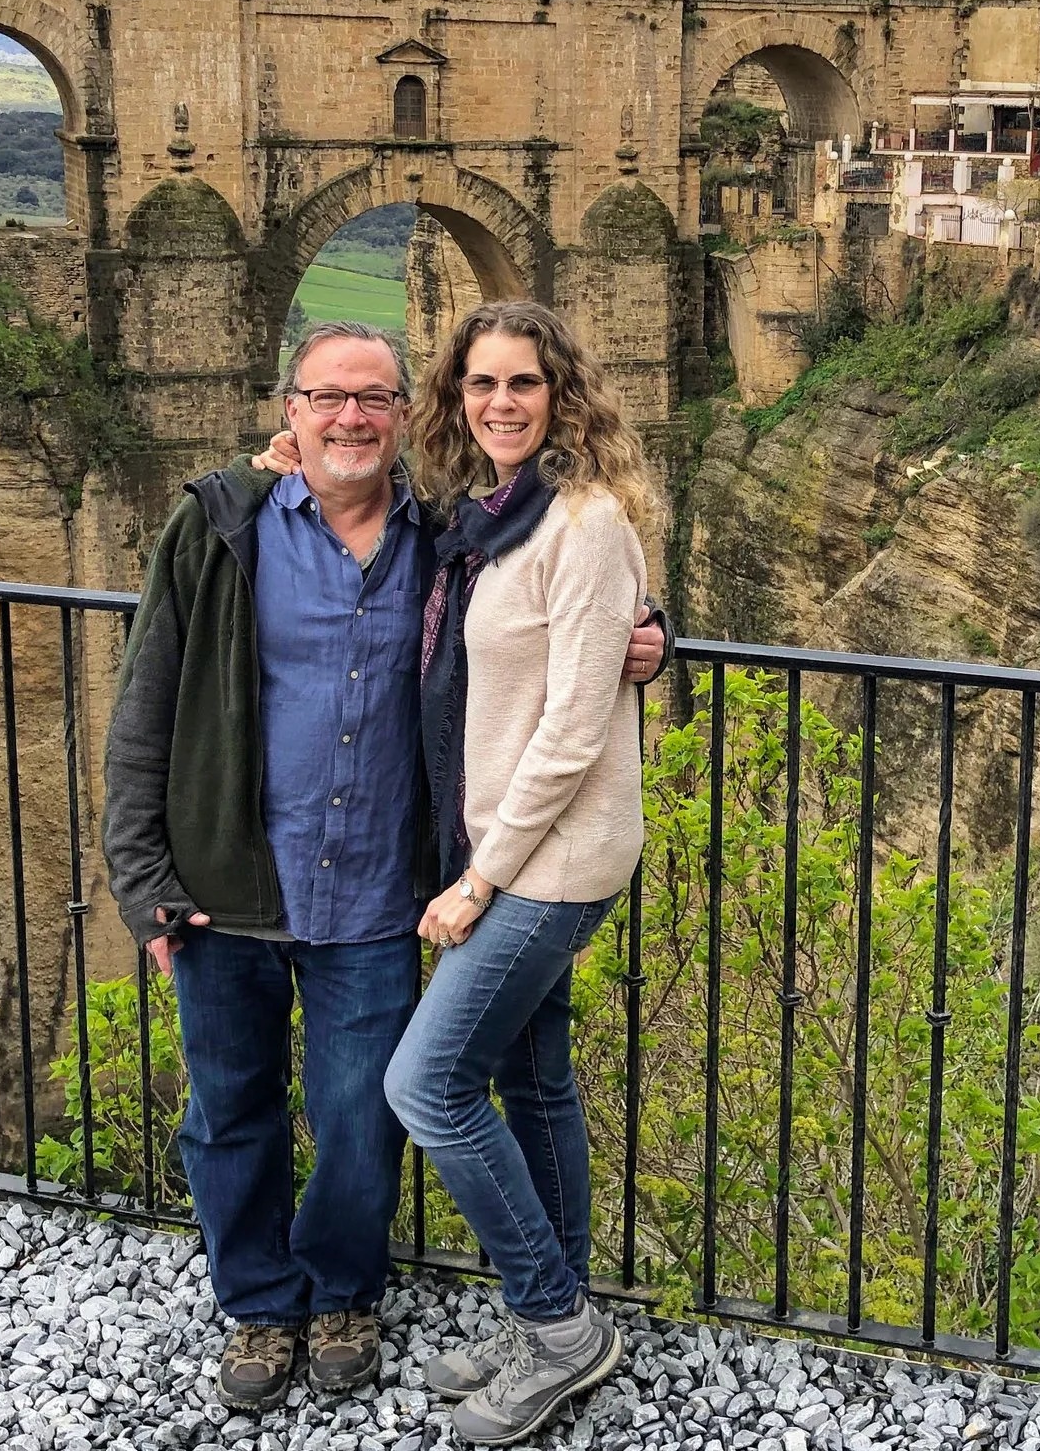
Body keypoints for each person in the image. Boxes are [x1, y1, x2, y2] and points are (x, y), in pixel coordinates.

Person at [100, 321, 664, 1416]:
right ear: (291, 410)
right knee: (229, 1108)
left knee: (368, 1112)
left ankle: (348, 1292)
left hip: (379, 889)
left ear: (405, 415)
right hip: (228, 885)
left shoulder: (447, 536)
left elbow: (583, 594)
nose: (349, 417)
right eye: (327, 397)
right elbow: (145, 707)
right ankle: (261, 1302)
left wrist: (655, 635)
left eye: (373, 397)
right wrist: (140, 874)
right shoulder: (221, 523)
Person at [381, 300, 657, 1446]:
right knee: (536, 1083)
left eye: (524, 383)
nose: (500, 402)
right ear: (459, 397)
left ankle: (554, 1324)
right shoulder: (484, 519)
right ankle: (559, 1311)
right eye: (482, 383)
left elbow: (575, 719)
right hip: (506, 842)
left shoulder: (584, 521)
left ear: (561, 396)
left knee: (428, 1083)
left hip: (551, 858)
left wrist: (479, 878)